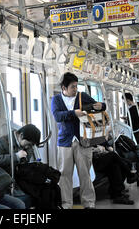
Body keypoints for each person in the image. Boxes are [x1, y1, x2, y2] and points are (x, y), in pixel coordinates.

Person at [51, 72, 106, 209]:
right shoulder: (56, 100)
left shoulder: (82, 97)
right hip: (65, 142)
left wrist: (101, 105)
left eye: (76, 86)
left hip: (83, 141)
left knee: (85, 174)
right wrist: (73, 113)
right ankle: (66, 204)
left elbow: (98, 106)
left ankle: (89, 203)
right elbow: (57, 116)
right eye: (72, 87)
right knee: (65, 175)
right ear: (64, 88)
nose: (75, 89)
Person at [0, 124, 41, 208]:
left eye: (31, 145)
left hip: (19, 179)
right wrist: (16, 156)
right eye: (29, 144)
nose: (29, 147)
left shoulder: (27, 147)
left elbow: (25, 163)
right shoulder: (3, 142)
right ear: (21, 135)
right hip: (4, 180)